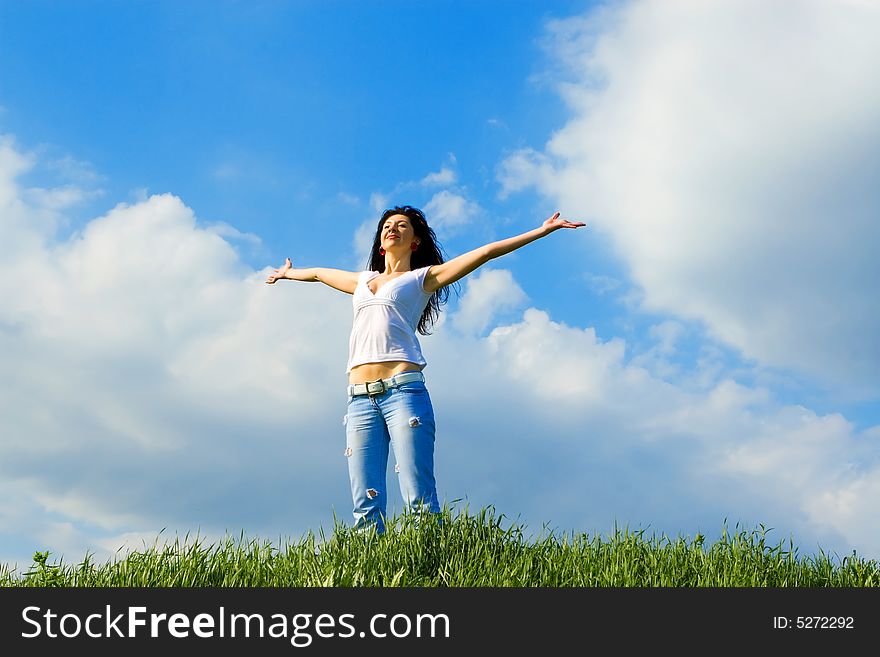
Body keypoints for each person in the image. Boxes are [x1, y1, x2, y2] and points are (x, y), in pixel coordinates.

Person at [266, 206, 585, 534]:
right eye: (387, 226)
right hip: (359, 400)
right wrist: (288, 273)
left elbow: (487, 252)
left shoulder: (423, 279)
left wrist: (541, 231)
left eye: (402, 226)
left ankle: (426, 566)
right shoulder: (362, 281)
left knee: (417, 496)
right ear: (380, 242)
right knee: (365, 501)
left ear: (414, 241)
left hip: (403, 392)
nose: (392, 229)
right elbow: (319, 274)